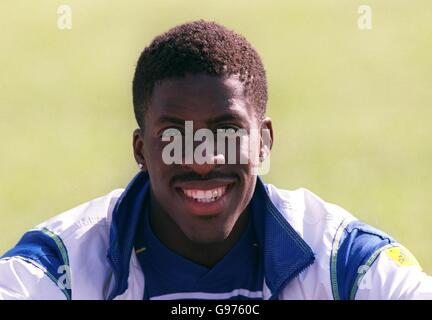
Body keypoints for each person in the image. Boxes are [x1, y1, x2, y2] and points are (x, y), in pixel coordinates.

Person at [0, 20, 431, 300]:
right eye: (175, 135)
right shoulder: (60, 266)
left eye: (226, 131)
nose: (203, 161)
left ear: (263, 143)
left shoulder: (342, 261)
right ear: (140, 152)